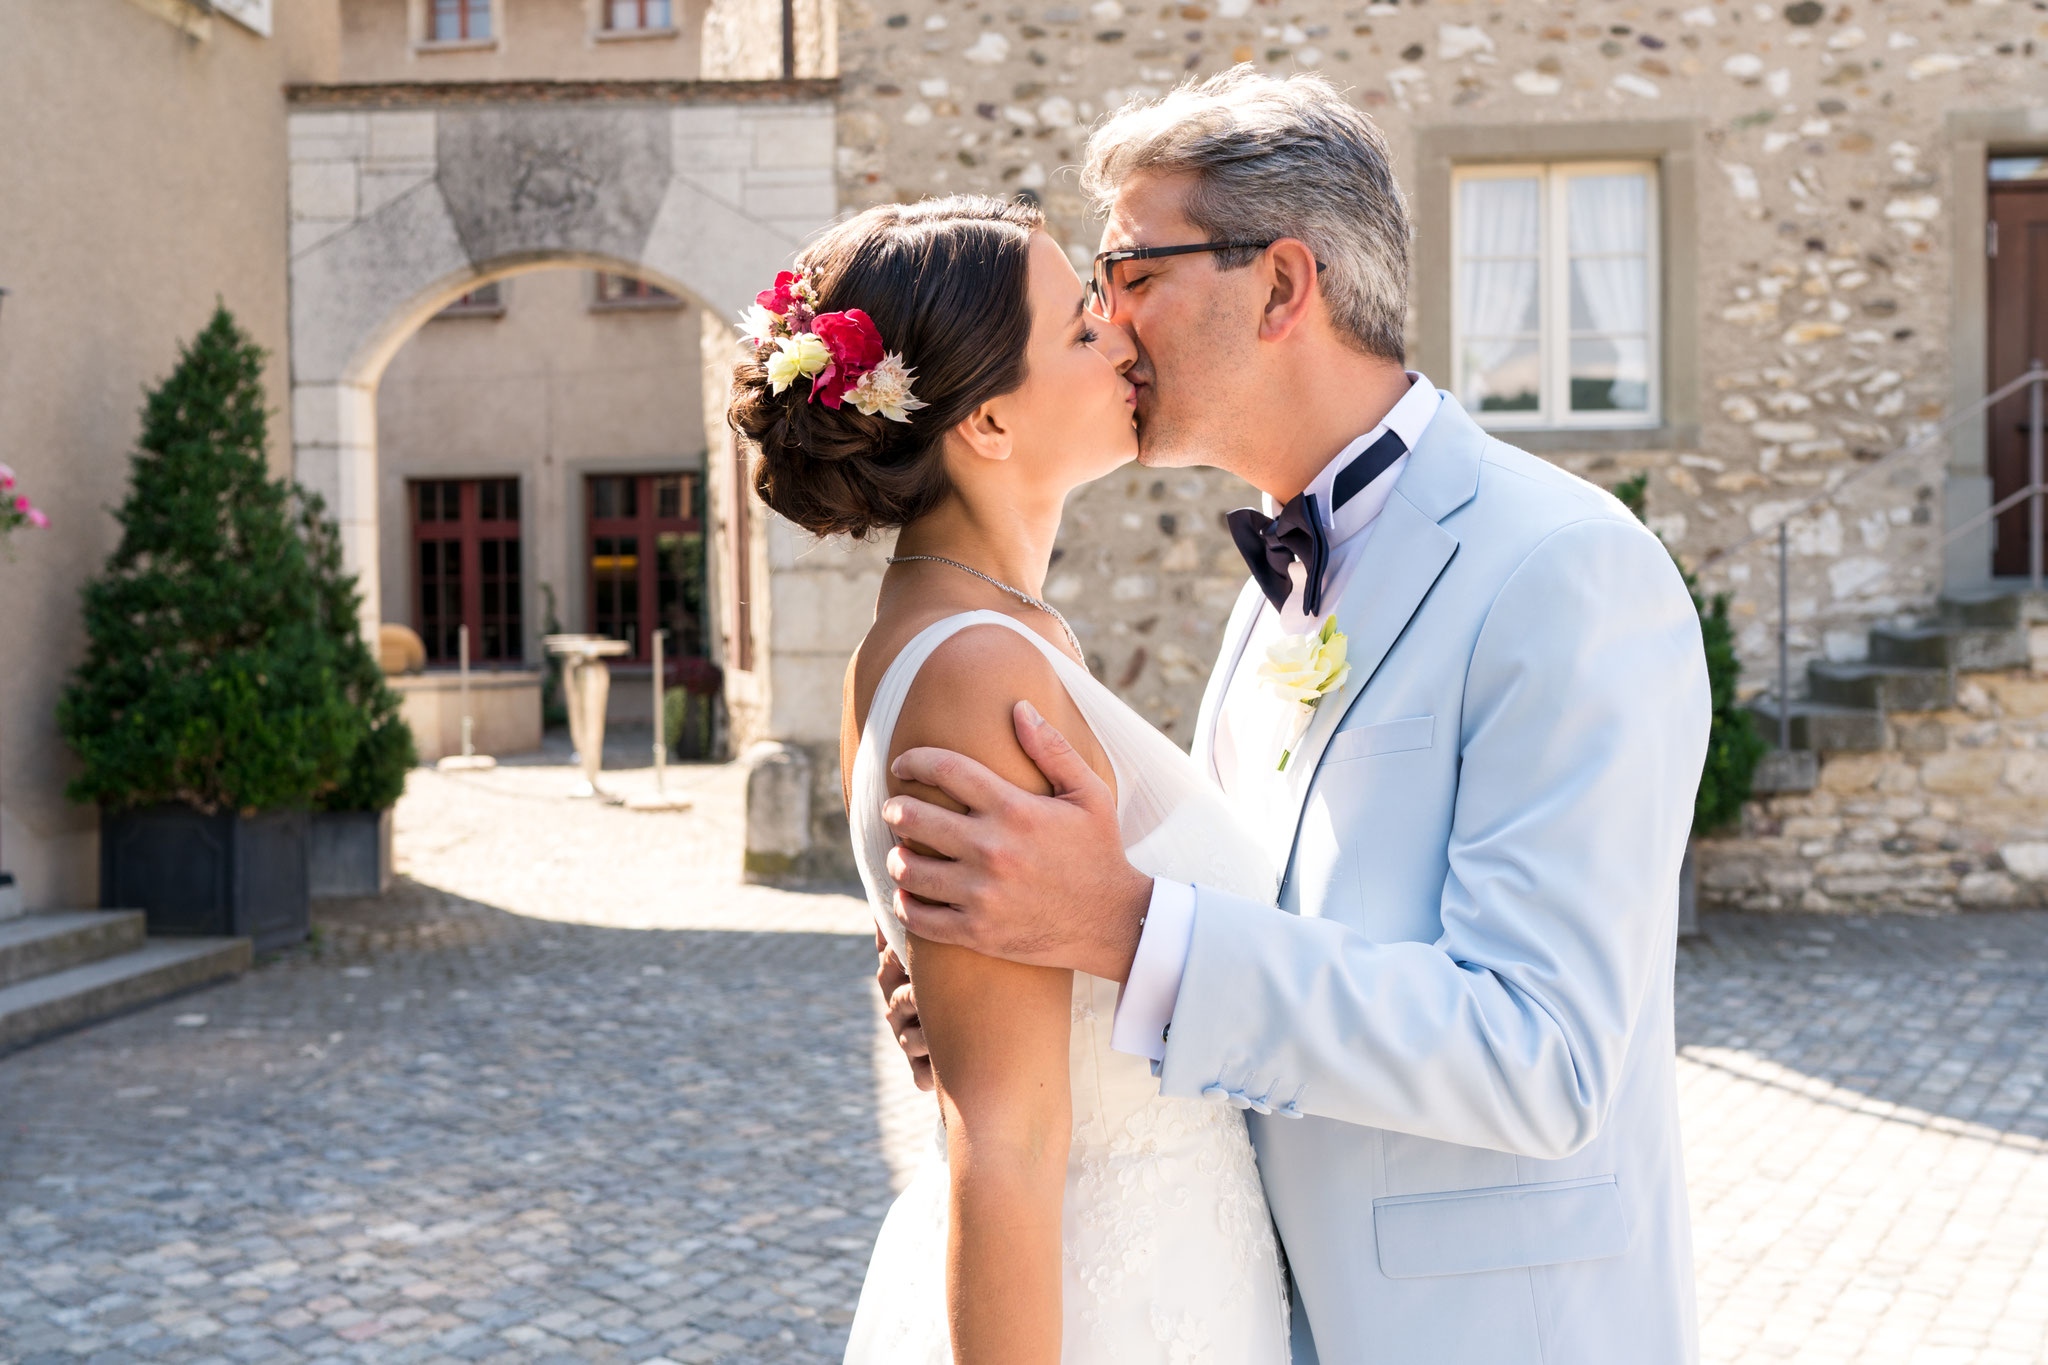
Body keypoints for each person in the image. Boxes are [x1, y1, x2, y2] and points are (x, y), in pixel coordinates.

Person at [873, 67, 1712, 1364]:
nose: (1107, 321)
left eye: (1130, 272)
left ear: (1278, 286)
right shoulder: (1262, 602)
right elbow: (1271, 944)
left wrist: (1118, 926)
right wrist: (1028, 1004)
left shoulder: (1564, 569)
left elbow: (1540, 1056)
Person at [729, 194, 1293, 1363]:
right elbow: (1006, 1138)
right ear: (986, 421)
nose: (1122, 339)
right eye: (1081, 328)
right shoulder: (977, 670)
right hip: (1102, 1303)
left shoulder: (963, 636)